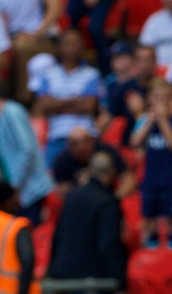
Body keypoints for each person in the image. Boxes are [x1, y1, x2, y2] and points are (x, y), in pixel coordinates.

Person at [48, 151, 126, 294]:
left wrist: (52, 272)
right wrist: (120, 282)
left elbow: (57, 236)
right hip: (93, 281)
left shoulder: (71, 196)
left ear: (89, 171)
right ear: (112, 172)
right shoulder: (107, 202)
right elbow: (109, 245)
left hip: (63, 276)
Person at [0, 80, 54, 224]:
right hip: (19, 191)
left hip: (29, 190)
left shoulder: (11, 112)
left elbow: (27, 149)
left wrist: (14, 185)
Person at [30, 29, 104, 166]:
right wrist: (76, 99)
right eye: (68, 43)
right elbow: (43, 106)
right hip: (57, 137)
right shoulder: (48, 75)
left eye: (77, 43)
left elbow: (89, 105)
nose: (73, 48)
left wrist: (56, 103)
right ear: (59, 48)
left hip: (85, 138)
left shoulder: (91, 74)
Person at [130, 79, 172, 247]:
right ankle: (151, 250)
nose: (161, 102)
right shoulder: (144, 119)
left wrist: (162, 121)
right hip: (150, 178)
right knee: (150, 218)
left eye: (165, 98)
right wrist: (149, 121)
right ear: (150, 100)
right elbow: (134, 142)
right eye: (157, 97)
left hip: (170, 178)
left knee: (171, 219)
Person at [51, 126, 136, 199]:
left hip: (107, 200)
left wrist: (116, 197)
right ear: (69, 146)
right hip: (78, 203)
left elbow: (128, 178)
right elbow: (60, 189)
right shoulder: (62, 160)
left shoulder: (107, 152)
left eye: (85, 141)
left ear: (92, 141)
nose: (82, 147)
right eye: (75, 144)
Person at [99, 41, 141, 145]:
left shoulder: (140, 79)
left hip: (135, 125)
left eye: (120, 57)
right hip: (114, 126)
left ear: (132, 59)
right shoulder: (109, 81)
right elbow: (104, 110)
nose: (116, 61)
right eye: (114, 57)